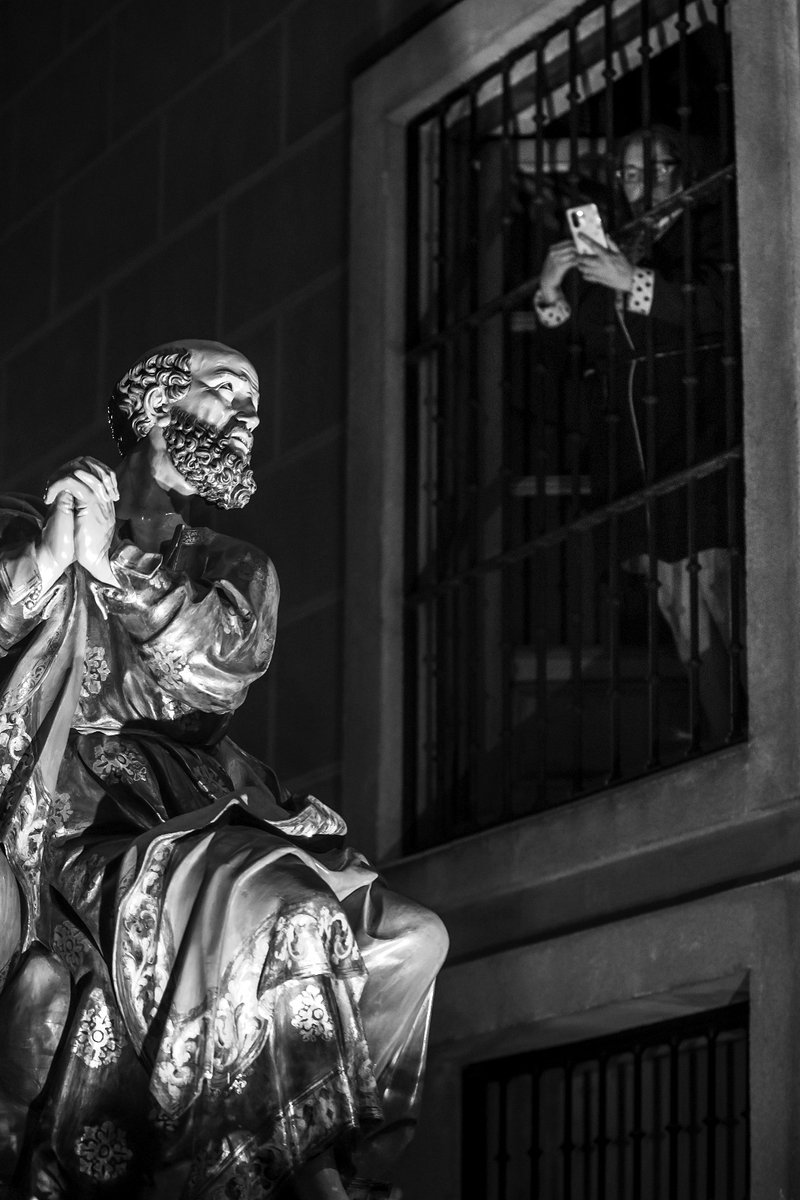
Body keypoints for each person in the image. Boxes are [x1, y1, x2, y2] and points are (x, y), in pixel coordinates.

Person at [0, 340, 448, 1200]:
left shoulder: (233, 565)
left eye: (255, 406)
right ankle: (271, 1163)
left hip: (200, 806)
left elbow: (220, 661)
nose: (248, 419)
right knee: (269, 904)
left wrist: (113, 568)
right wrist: (54, 562)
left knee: (413, 937)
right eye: (228, 393)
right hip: (84, 814)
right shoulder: (33, 520)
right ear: (155, 404)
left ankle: (346, 1147)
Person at [532, 125, 738, 742]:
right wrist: (550, 288)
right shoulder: (618, 243)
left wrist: (636, 284)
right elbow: (582, 347)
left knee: (729, 599)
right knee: (682, 612)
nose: (640, 184)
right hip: (635, 453)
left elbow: (728, 303)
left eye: (655, 169)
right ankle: (724, 734)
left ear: (683, 169)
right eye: (628, 174)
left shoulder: (712, 225)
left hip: (699, 435)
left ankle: (771, 733)